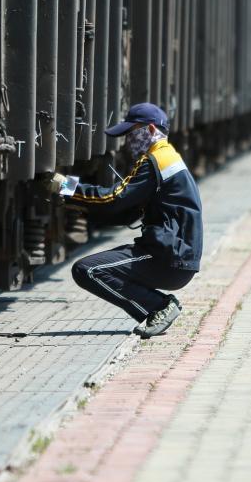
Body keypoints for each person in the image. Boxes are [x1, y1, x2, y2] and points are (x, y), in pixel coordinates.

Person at [47, 103, 203, 339]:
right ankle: (156, 307)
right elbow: (128, 211)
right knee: (94, 267)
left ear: (151, 130)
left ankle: (159, 307)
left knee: (87, 270)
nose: (128, 140)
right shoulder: (168, 156)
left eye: (132, 133)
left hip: (169, 258)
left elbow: (113, 198)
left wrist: (65, 186)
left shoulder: (155, 161)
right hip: (175, 253)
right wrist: (83, 210)